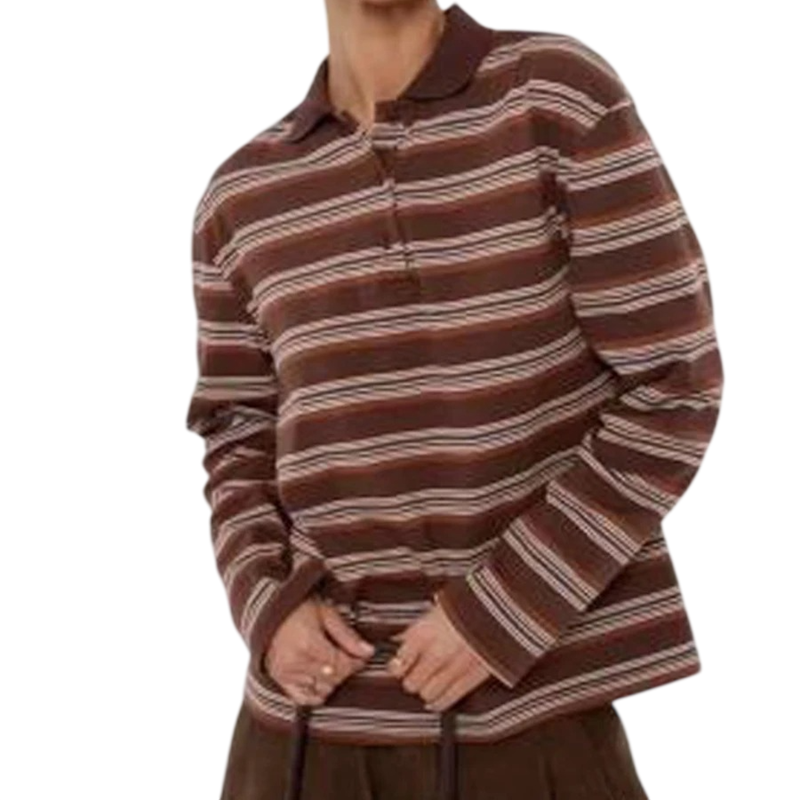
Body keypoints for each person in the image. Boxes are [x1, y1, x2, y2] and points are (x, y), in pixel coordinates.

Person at [185, 2, 724, 798]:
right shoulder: (241, 197)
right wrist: (265, 605)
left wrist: (501, 609)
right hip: (299, 734)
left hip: (528, 711)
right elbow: (237, 431)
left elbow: (674, 385)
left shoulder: (555, 98)